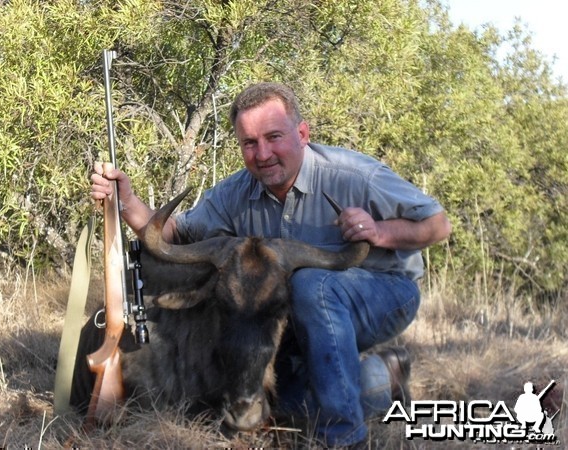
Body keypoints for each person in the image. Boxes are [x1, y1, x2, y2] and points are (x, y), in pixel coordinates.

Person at [91, 82, 452, 446]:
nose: (262, 153)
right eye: (249, 143)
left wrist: (378, 230)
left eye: (274, 137)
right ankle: (379, 378)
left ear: (303, 134)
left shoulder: (354, 174)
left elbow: (438, 225)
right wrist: (127, 200)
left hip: (385, 292)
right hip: (296, 313)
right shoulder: (235, 192)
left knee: (311, 286)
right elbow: (170, 235)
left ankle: (342, 438)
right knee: (287, 404)